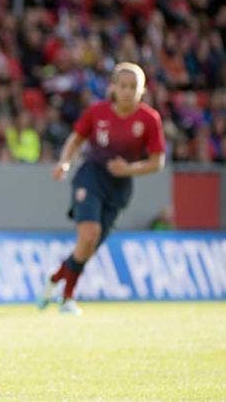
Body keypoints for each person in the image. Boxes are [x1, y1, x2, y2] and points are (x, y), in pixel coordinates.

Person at [39, 62, 166, 315]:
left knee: (89, 246)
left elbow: (157, 162)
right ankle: (67, 299)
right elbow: (75, 140)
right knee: (88, 234)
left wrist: (129, 170)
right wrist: (64, 163)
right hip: (91, 176)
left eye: (133, 87)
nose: (128, 91)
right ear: (114, 88)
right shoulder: (97, 113)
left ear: (141, 91)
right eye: (123, 86)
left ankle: (55, 279)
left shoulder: (149, 119)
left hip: (120, 187)